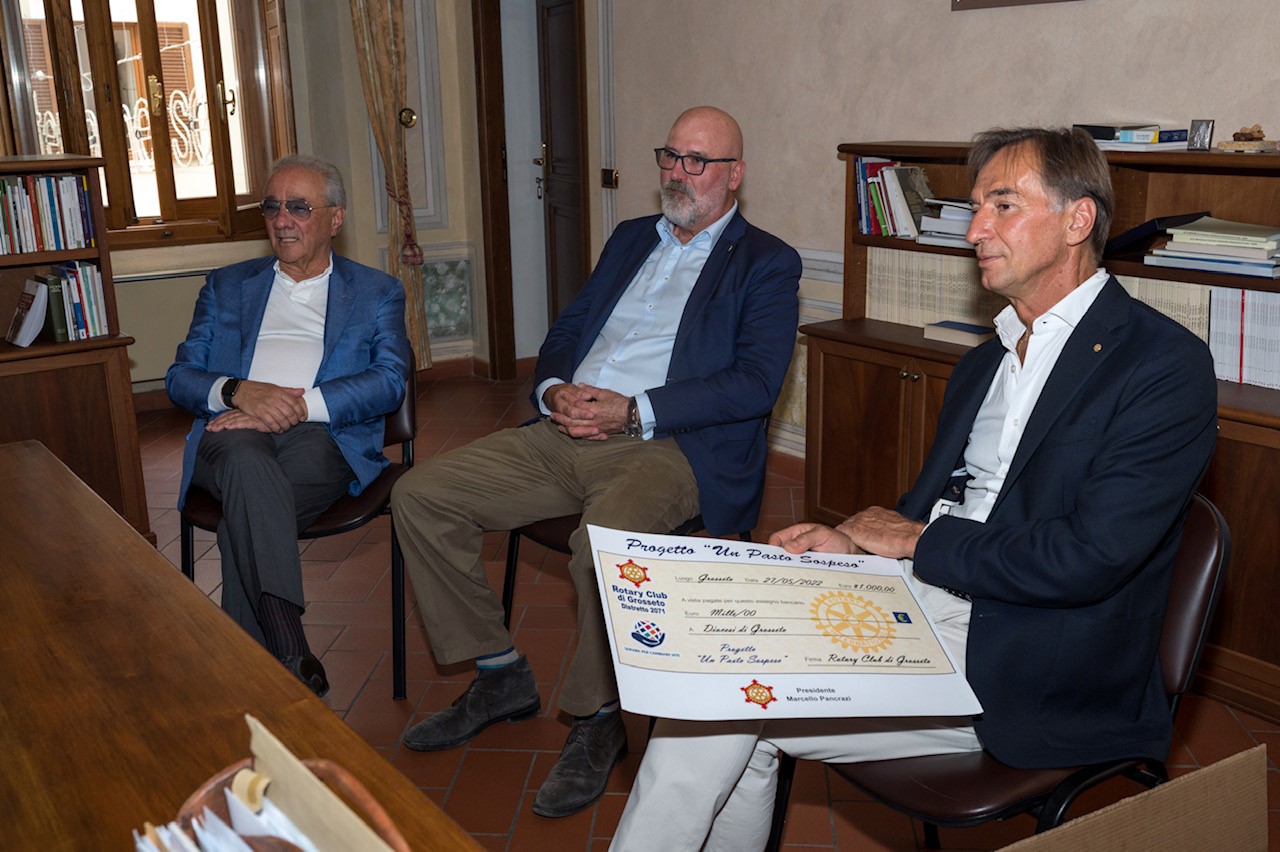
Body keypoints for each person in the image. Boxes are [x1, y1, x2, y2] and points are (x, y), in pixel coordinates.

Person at [609, 126, 1220, 850]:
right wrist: (855, 545)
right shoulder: (985, 361)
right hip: (921, 601)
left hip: (1034, 660)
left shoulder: (1161, 368)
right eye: (975, 208)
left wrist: (918, 542)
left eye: (1002, 206)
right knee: (717, 680)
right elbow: (940, 507)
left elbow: (1087, 558)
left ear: (1077, 220)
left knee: (723, 705)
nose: (975, 230)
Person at [390, 106, 801, 818]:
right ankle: (499, 673)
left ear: (734, 175)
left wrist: (633, 409)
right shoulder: (631, 237)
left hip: (668, 446)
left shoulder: (766, 261)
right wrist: (554, 388)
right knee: (420, 495)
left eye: (697, 161)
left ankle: (598, 716)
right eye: (669, 156)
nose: (677, 173)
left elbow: (754, 383)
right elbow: (573, 327)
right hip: (566, 430)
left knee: (602, 546)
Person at [167, 154, 410, 697]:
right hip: (228, 435)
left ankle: (259, 675)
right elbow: (180, 376)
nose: (282, 220)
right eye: (272, 207)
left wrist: (302, 407)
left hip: (322, 438)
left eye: (299, 207)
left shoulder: (376, 292)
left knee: (244, 512)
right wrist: (239, 392)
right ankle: (289, 644)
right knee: (245, 456)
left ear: (335, 218)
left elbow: (389, 381)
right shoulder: (227, 286)